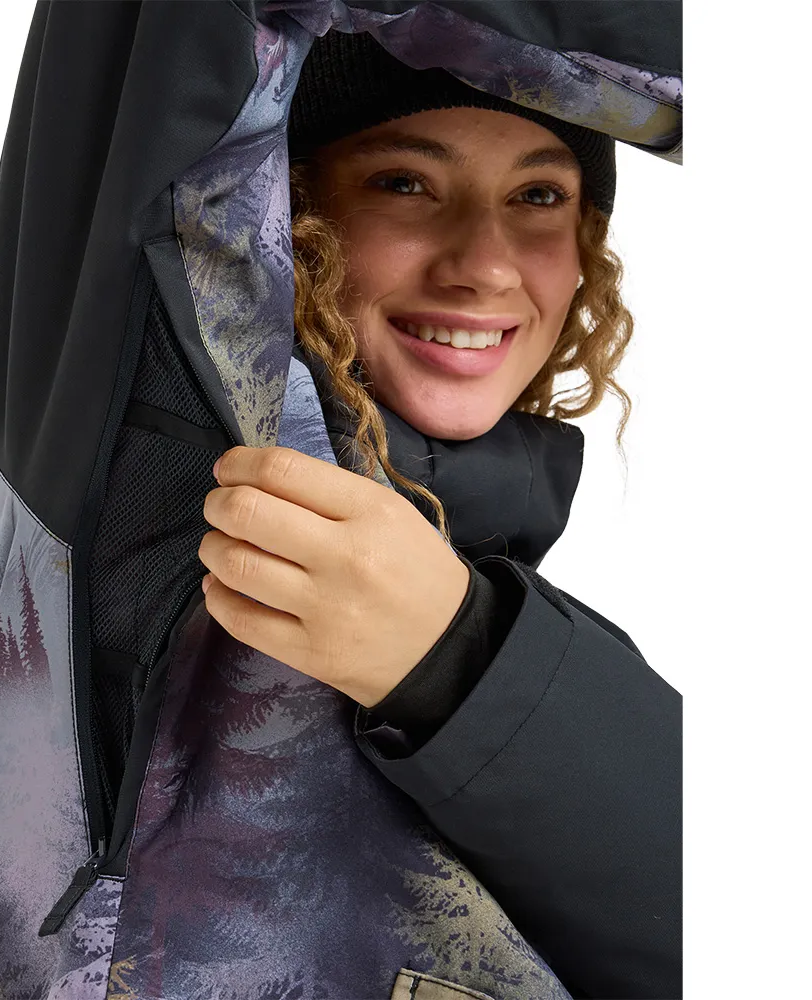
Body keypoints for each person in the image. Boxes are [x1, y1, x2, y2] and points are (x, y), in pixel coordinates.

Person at [195, 29, 681, 999]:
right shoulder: (177, 484)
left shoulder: (501, 567)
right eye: (404, 183)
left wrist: (457, 655)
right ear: (289, 215)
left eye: (538, 196)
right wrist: (460, 664)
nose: (487, 267)